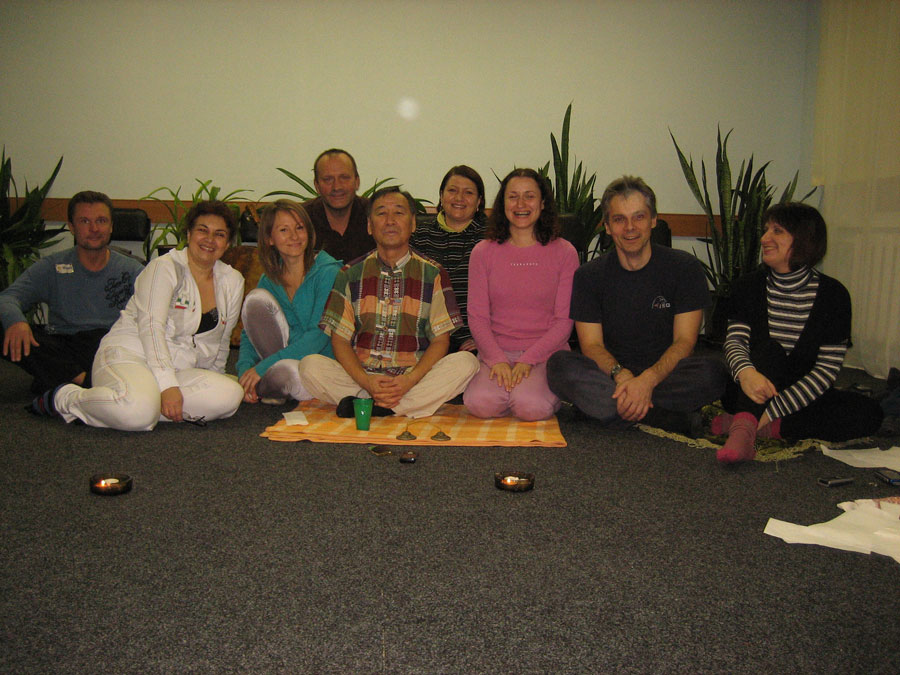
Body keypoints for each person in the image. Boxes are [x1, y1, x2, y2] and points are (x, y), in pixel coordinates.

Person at [30, 201, 245, 431]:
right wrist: (167, 386)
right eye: (203, 230)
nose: (210, 239)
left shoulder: (232, 281)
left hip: (179, 367)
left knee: (230, 396)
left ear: (227, 243)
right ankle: (65, 399)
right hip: (131, 354)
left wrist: (214, 377)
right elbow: (152, 327)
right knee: (138, 414)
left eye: (219, 234)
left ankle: (139, 404)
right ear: (189, 234)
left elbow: (221, 341)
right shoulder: (164, 268)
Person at [547, 175, 728, 436]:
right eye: (619, 219)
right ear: (607, 227)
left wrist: (647, 381)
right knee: (559, 365)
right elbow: (592, 346)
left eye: (639, 217)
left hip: (665, 375)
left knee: (713, 373)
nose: (630, 228)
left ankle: (606, 409)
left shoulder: (685, 268)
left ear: (653, 220)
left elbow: (685, 342)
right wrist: (623, 377)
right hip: (610, 375)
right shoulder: (589, 276)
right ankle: (663, 417)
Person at [715, 203, 883, 463]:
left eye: (777, 231)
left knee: (869, 413)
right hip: (750, 387)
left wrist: (770, 413)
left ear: (804, 239)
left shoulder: (834, 296)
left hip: (800, 394)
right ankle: (743, 432)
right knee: (771, 350)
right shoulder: (747, 286)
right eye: (766, 230)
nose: (764, 238)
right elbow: (735, 342)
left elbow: (825, 371)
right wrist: (746, 374)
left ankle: (746, 426)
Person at [297, 187, 479, 418]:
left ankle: (370, 407)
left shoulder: (433, 274)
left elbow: (440, 340)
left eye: (399, 213)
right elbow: (340, 340)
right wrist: (367, 381)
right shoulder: (350, 274)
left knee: (467, 363)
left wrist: (410, 380)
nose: (390, 221)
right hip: (363, 378)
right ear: (369, 226)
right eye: (381, 213)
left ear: (413, 224)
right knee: (309, 366)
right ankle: (394, 407)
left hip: (412, 379)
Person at [463, 168, 579, 421]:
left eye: (529, 196)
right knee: (480, 404)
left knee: (530, 406)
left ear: (543, 203)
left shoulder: (565, 252)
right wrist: (497, 360)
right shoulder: (482, 252)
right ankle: (512, 392)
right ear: (503, 203)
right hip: (497, 351)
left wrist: (528, 360)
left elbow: (564, 322)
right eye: (513, 196)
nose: (521, 204)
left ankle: (533, 393)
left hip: (545, 354)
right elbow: (478, 317)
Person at [1, 190, 143, 394]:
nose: (94, 229)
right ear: (71, 227)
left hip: (107, 344)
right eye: (85, 221)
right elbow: (8, 297)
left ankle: (60, 380)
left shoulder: (132, 270)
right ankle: (83, 381)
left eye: (101, 221)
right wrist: (16, 322)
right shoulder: (52, 265)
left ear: (111, 226)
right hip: (62, 343)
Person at [236, 200, 341, 405]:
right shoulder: (269, 279)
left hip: (320, 363)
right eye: (284, 230)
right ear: (270, 238)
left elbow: (319, 336)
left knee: (290, 373)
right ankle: (264, 386)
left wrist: (262, 368)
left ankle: (267, 387)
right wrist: (245, 371)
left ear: (309, 232)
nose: (294, 236)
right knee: (256, 299)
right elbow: (251, 331)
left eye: (299, 228)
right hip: (281, 359)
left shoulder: (329, 272)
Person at [410, 165, 487, 353]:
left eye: (468, 192)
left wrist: (484, 339)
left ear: (479, 201)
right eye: (452, 191)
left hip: (473, 338)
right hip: (426, 337)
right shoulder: (418, 236)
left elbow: (506, 296)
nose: (459, 198)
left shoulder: (492, 237)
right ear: (441, 196)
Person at [302, 148, 374, 262]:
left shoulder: (376, 215)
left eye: (344, 178)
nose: (337, 187)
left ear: (357, 182)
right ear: (317, 186)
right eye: (328, 179)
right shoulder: (300, 219)